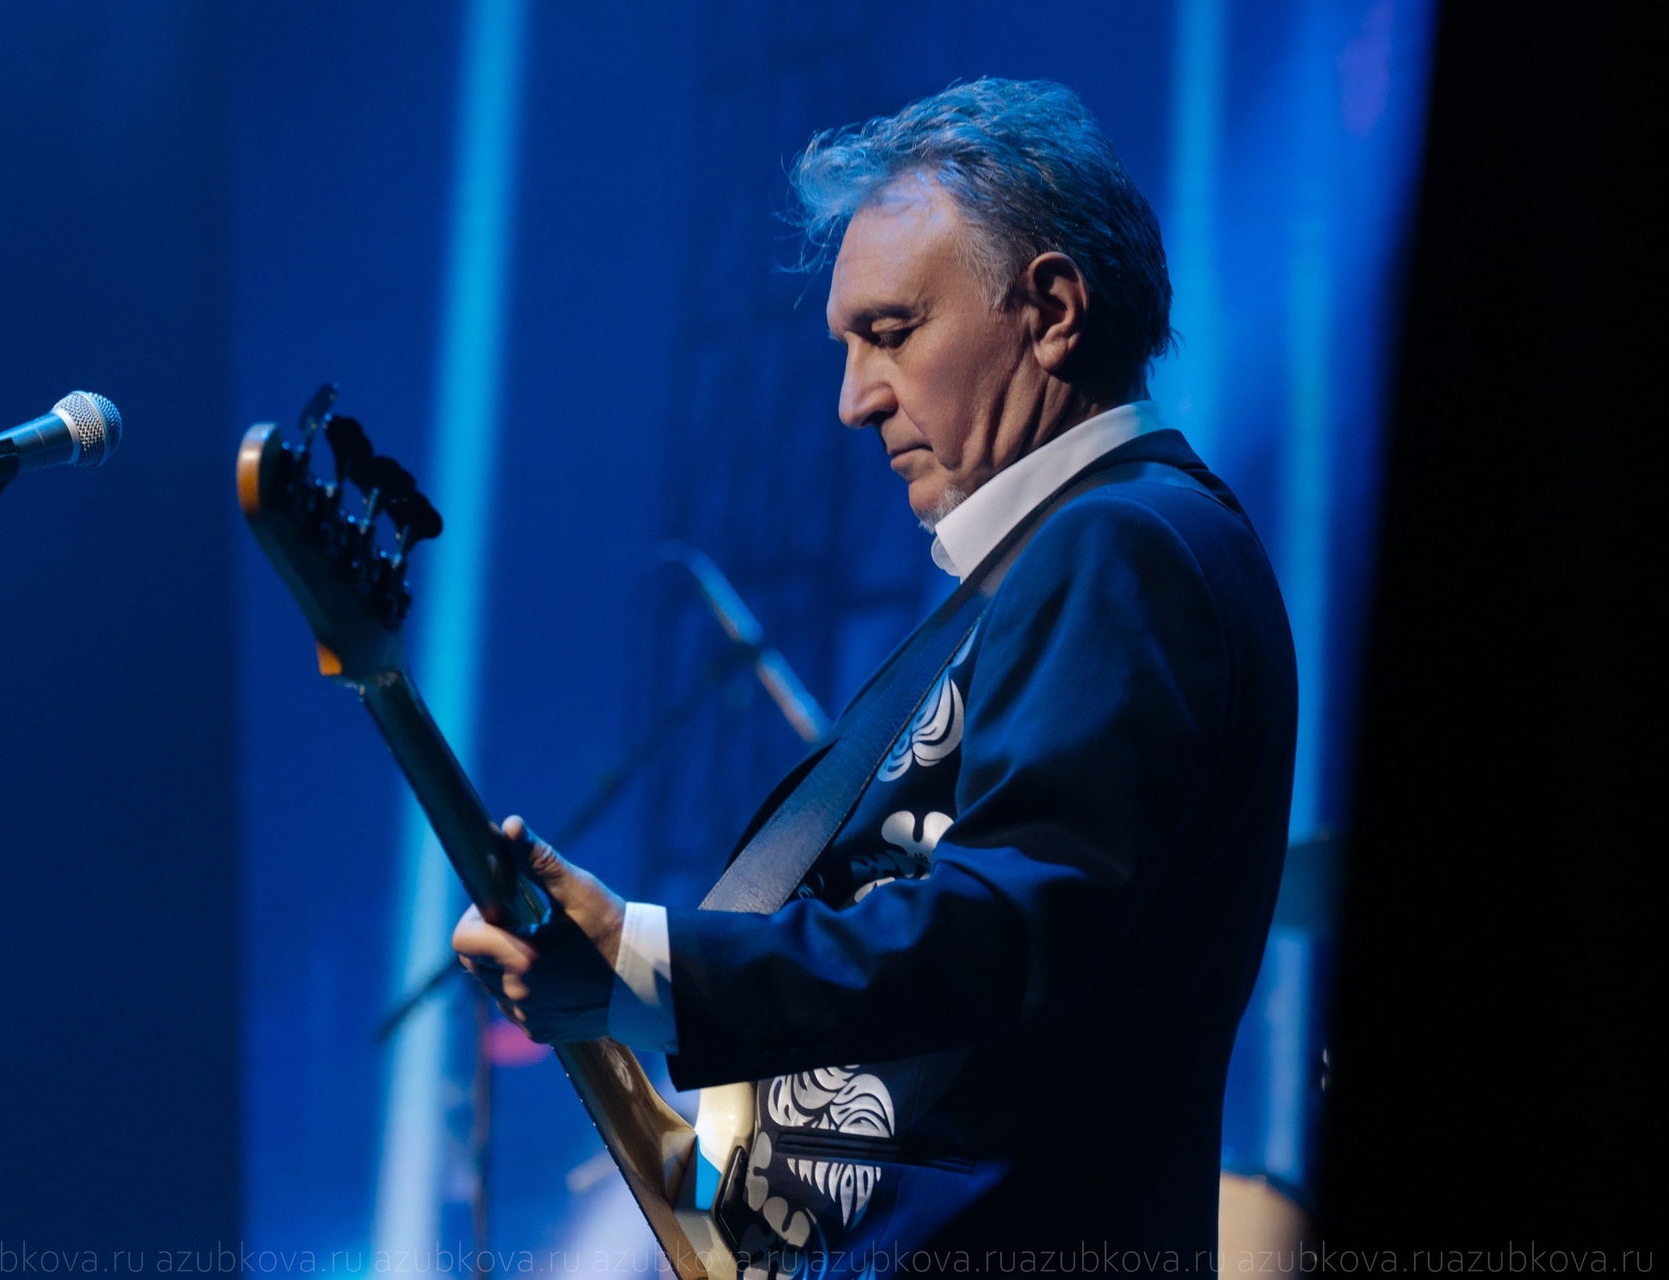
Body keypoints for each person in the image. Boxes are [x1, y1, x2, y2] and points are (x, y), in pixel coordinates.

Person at [454, 78, 1295, 1272]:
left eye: (891, 333)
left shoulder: (1125, 543)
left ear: (1054, 310)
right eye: (847, 348)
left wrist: (647, 960)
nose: (853, 401)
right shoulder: (1079, 558)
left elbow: (1009, 926)